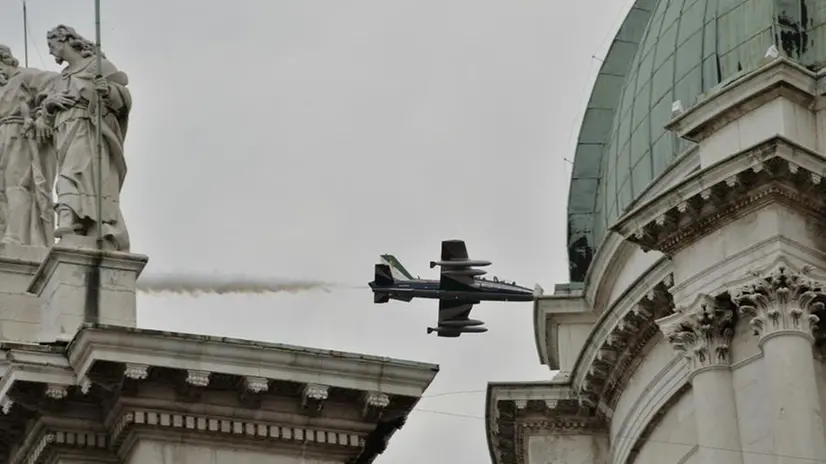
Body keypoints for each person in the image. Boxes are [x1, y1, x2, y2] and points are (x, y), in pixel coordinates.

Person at [33, 24, 131, 251]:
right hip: (63, 132)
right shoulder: (60, 79)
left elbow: (123, 99)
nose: (50, 51)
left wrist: (107, 90)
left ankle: (72, 222)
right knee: (68, 173)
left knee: (75, 175)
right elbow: (44, 122)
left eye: (52, 44)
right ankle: (72, 223)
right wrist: (49, 106)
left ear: (65, 39)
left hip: (88, 130)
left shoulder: (98, 66)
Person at [0, 45, 59, 247]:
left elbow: (57, 83)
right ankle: (6, 233)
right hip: (3, 136)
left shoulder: (24, 76)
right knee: (2, 190)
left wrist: (42, 115)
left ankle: (16, 236)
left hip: (19, 134)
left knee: (17, 185)